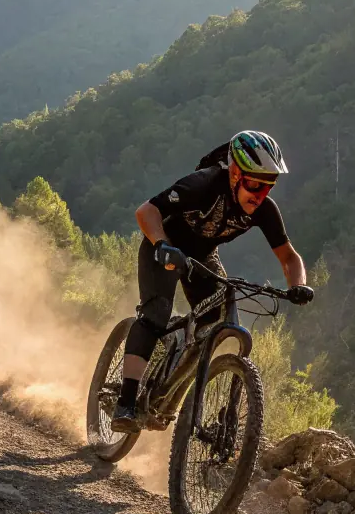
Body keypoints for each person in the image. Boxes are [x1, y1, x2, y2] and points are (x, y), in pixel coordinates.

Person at [111, 130, 313, 433]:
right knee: (155, 315)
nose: (260, 194)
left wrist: (298, 285)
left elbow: (289, 257)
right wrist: (162, 245)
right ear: (235, 173)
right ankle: (125, 403)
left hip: (203, 257)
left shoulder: (264, 210)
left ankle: (166, 396)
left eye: (268, 186)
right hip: (166, 245)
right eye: (255, 184)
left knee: (215, 325)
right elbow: (147, 211)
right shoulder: (203, 184)